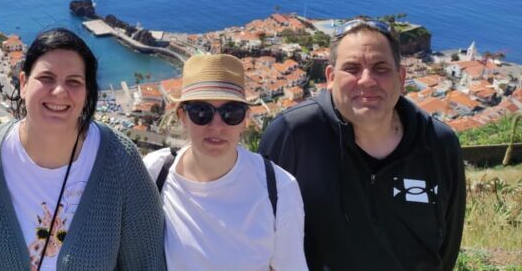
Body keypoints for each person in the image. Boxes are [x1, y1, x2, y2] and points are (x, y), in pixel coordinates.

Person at [259, 19, 466, 271]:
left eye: (381, 68)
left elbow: (447, 246)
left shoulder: (439, 144)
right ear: (330, 78)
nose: (367, 80)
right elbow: (262, 235)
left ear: (401, 77)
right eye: (352, 68)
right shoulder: (293, 135)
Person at [0, 27, 165, 271]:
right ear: (23, 83)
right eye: (46, 78)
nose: (60, 92)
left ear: (87, 93)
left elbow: (147, 262)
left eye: (74, 81)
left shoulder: (119, 160)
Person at [143, 54, 307, 271]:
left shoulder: (279, 189)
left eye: (231, 112)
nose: (216, 126)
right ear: (182, 116)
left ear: (245, 120)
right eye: (202, 112)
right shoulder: (155, 172)